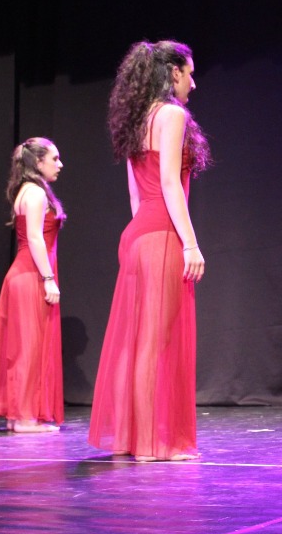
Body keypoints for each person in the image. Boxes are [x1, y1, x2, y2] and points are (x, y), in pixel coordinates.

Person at [88, 40, 211, 461]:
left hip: (138, 233)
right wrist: (189, 242)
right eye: (189, 73)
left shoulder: (138, 119)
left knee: (138, 342)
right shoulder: (171, 115)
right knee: (157, 342)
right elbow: (171, 183)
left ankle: (133, 439)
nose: (193, 83)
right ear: (173, 72)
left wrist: (142, 235)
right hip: (162, 234)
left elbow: (134, 194)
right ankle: (151, 444)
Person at [0, 138, 66, 433]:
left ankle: (19, 415)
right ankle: (24, 418)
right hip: (30, 275)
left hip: (25, 274)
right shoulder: (35, 193)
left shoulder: (28, 191)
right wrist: (48, 278)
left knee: (23, 347)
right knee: (29, 348)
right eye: (54, 159)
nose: (60, 165)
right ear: (38, 162)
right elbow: (34, 237)